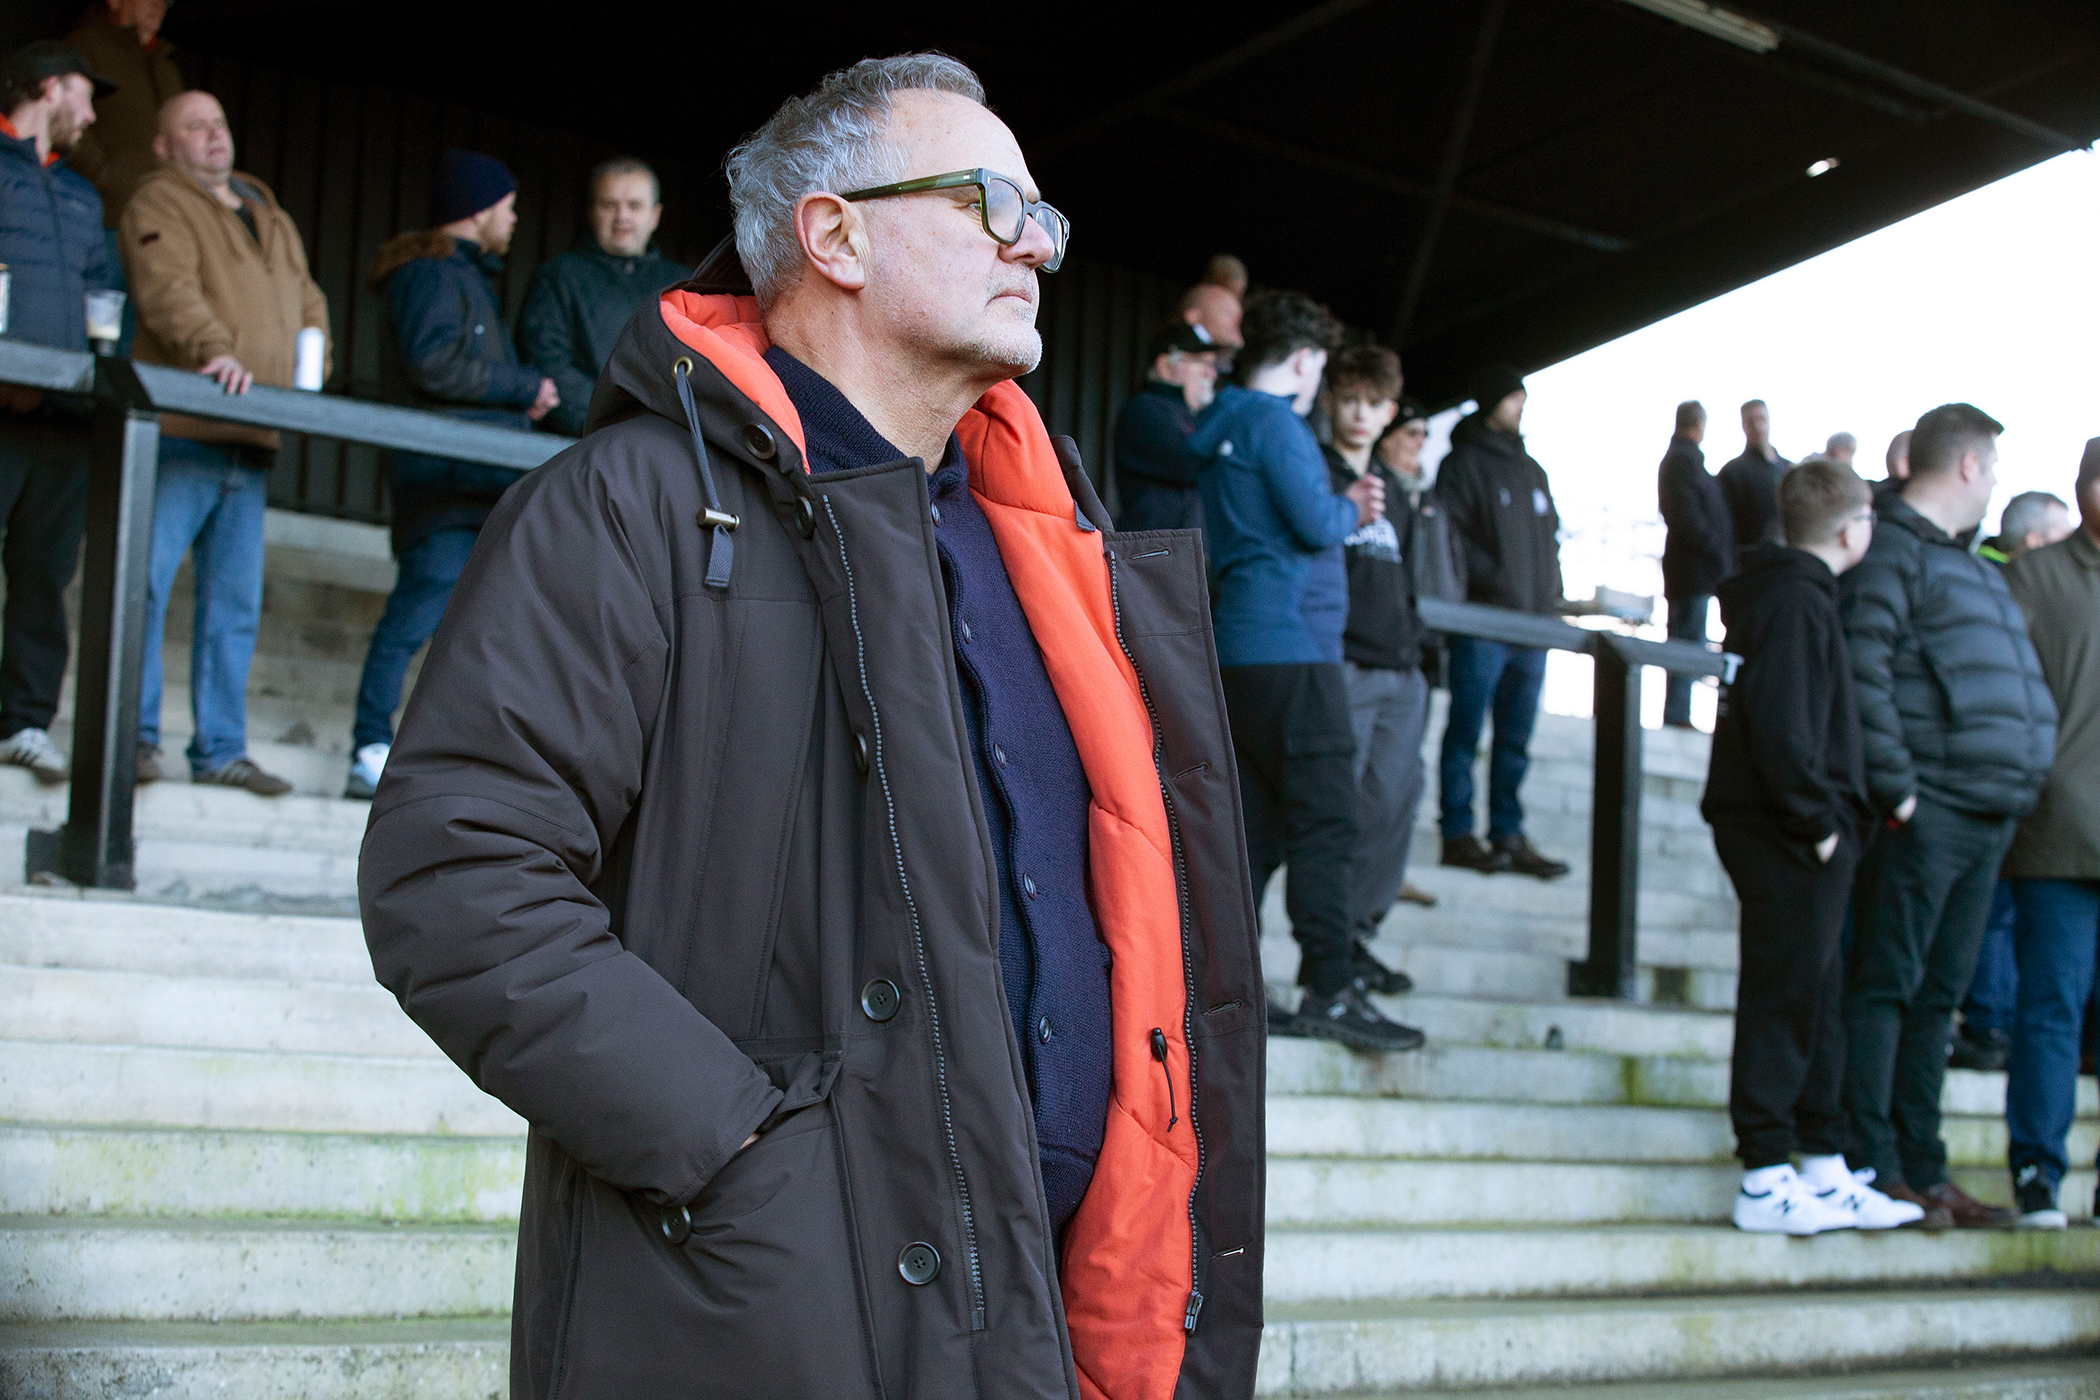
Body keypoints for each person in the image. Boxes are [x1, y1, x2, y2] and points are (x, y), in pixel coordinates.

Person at [358, 54, 1266, 1398]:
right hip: (772, 1308)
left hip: (1056, 1313)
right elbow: (456, 876)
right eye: (987, 201)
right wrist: (744, 1150)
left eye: (1041, 216)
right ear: (832, 235)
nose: (1033, 244)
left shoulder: (1055, 553)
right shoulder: (628, 507)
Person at [1840, 402, 2056, 1230]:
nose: (1995, 482)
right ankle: (1876, 1164)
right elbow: (1863, 666)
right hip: (1928, 811)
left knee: (1938, 997)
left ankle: (1925, 1169)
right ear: (1967, 465)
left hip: (1987, 815)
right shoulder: (1892, 550)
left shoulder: (1965, 563)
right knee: (1887, 986)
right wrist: (1900, 791)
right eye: (1991, 467)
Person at [1192, 289, 1418, 1052]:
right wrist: (1352, 505)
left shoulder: (1220, 420)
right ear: (1301, 360)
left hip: (1238, 649)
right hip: (1293, 648)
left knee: (1254, 832)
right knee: (1327, 821)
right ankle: (1330, 988)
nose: (1318, 381)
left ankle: (1231, 994)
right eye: (1318, 366)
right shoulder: (1276, 423)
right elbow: (1317, 524)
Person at [1704, 458, 1923, 1235]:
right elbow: (1782, 728)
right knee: (1786, 994)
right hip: (1787, 831)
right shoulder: (1795, 599)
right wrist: (1820, 826)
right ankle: (1766, 1177)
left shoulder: (1795, 594)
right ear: (1851, 528)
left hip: (1793, 828)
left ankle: (1823, 1167)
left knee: (1818, 995)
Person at [122, 90, 329, 796]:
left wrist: (311, 369)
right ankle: (131, 736)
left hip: (253, 434)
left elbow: (310, 300)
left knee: (234, 607)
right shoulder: (159, 200)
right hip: (187, 429)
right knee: (143, 587)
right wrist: (214, 348)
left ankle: (219, 750)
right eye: (194, 126)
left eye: (219, 121)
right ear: (164, 146)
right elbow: (166, 289)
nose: (213, 134)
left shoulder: (269, 212)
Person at [344, 149, 558, 800]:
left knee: (474, 632)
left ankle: (440, 761)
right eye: (508, 207)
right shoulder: (431, 275)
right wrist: (524, 386)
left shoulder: (461, 276)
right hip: (441, 485)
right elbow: (434, 364)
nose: (514, 220)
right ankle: (368, 748)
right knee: (417, 613)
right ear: (479, 208)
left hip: (472, 485)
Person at [0, 42, 121, 787]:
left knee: (45, 574)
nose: (92, 114)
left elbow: (106, 297)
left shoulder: (82, 195)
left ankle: (24, 722)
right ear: (50, 88)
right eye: (85, 94)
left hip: (65, 416)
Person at [1997, 440, 2100, 1230]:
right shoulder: (2032, 576)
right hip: (2056, 836)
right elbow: (2000, 694)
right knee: (2050, 1008)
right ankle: (2037, 1173)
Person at [1951, 489, 2075, 1072]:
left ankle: (1990, 1020)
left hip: (2039, 785)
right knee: (1994, 914)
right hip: (2008, 786)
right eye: (2061, 538)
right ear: (2033, 543)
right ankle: (1988, 1020)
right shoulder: (2001, 592)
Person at [1320, 346, 1431, 997]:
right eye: (1351, 400)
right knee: (1336, 809)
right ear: (1331, 400)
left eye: (1375, 403)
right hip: (1341, 664)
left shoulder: (1397, 495)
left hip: (1401, 670)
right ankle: (1325, 952)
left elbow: (1409, 583)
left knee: (1392, 804)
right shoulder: (1317, 473)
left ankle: (1357, 941)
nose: (1361, 414)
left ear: (1389, 412)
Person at [1434, 364, 1571, 880]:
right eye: (1513, 398)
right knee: (1466, 731)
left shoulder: (1533, 470)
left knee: (1515, 739)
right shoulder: (1462, 464)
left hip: (1533, 628)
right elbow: (1450, 537)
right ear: (1492, 401)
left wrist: (1551, 595)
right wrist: (1494, 581)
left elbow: (1551, 538)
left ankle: (1508, 834)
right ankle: (1457, 833)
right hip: (1483, 623)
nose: (1520, 408)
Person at [517, 158, 686, 437]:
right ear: (592, 211)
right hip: (581, 441)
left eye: (634, 206)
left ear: (655, 215)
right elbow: (547, 364)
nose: (622, 217)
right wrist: (614, 423)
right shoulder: (559, 276)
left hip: (666, 445)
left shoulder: (681, 286)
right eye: (609, 205)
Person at [1374, 399, 1459, 909]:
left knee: (1406, 775)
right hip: (1371, 650)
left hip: (1420, 650)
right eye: (1411, 433)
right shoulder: (1369, 490)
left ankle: (1390, 875)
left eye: (1425, 434)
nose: (1419, 443)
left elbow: (1449, 567)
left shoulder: (1430, 498)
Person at [63, 0, 181, 226]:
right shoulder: (85, 46)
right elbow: (64, 117)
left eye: (166, 1)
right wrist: (105, 176)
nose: (159, 5)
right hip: (107, 216)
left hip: (166, 216)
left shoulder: (166, 64)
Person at [1658, 400, 1731, 729]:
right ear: (1700, 426)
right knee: (1686, 644)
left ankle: (1679, 711)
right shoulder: (1682, 461)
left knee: (1688, 641)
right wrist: (1714, 547)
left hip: (1693, 572)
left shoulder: (1685, 460)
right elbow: (1685, 517)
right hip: (1691, 572)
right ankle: (1677, 713)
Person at [1109, 321, 1214, 531]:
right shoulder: (1144, 410)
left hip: (1177, 547)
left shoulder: (1191, 416)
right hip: (1157, 548)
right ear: (1165, 365)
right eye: (1201, 362)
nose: (1211, 373)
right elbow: (1192, 460)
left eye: (1213, 365)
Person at [1718, 398, 1791, 551]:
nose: (1758, 427)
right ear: (1743, 425)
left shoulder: (1788, 468)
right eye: (1751, 422)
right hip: (1752, 556)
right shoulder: (1732, 472)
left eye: (1762, 419)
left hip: (1789, 553)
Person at [1978, 490, 2074, 566]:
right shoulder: (2011, 582)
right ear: (2034, 540)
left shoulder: (1977, 567)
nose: (2073, 540)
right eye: (2066, 535)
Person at [1180, 278, 1242, 352]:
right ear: (1192, 316)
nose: (1236, 320)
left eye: (1238, 315)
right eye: (1226, 312)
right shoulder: (1179, 349)